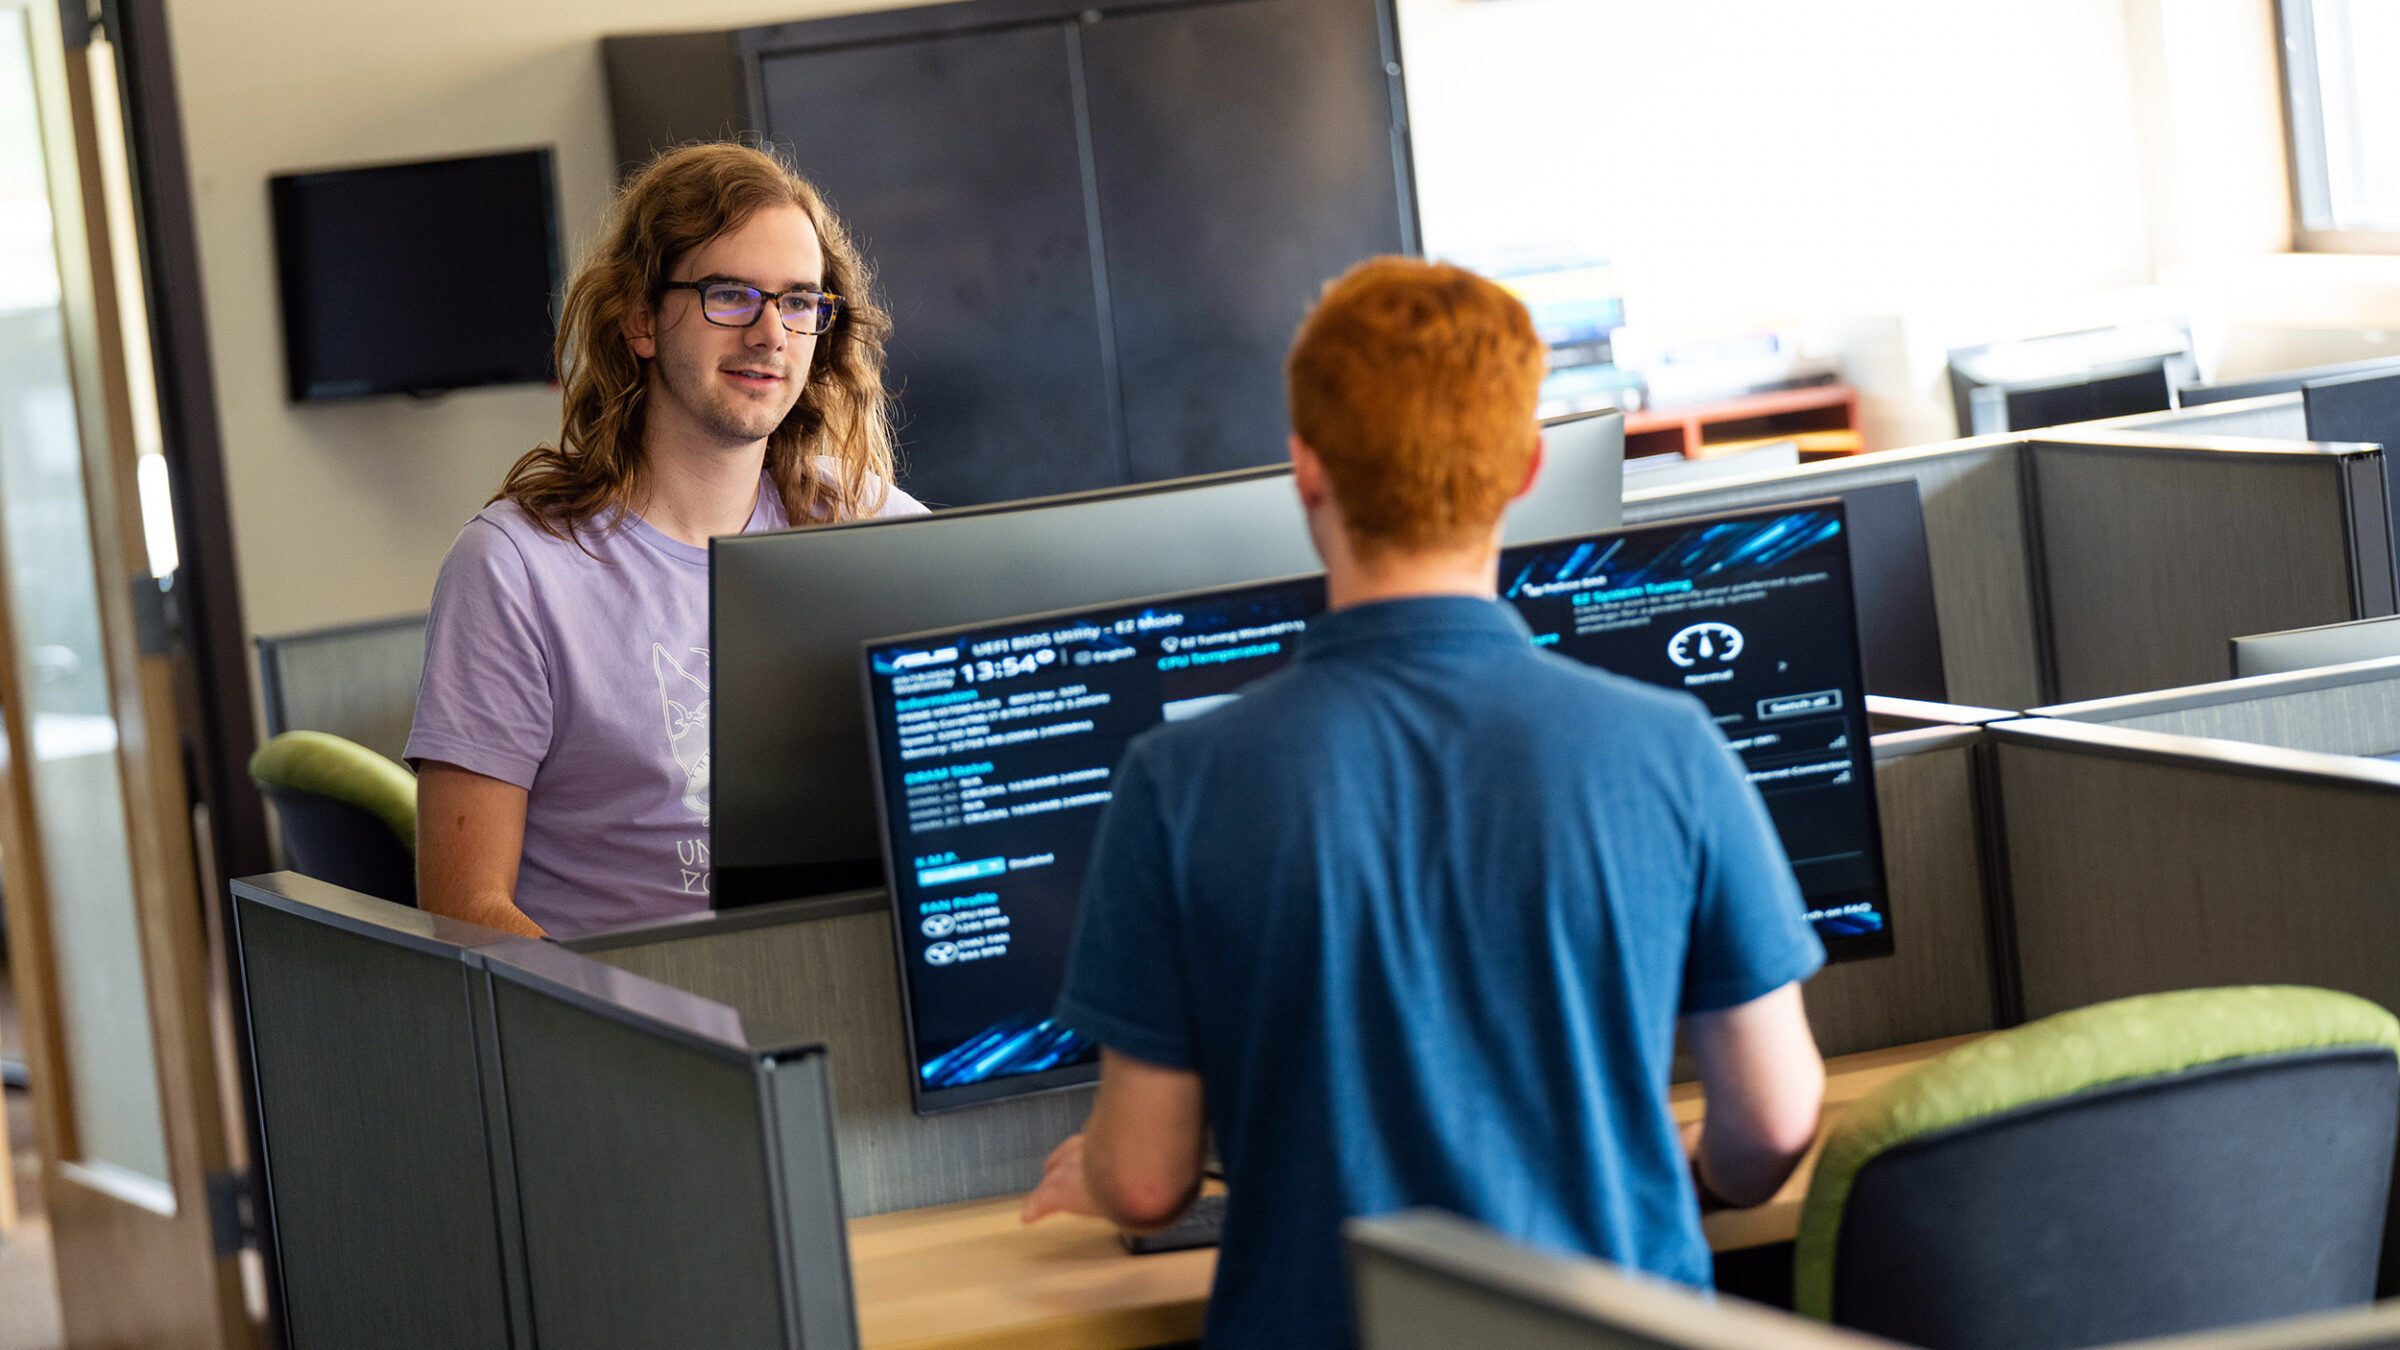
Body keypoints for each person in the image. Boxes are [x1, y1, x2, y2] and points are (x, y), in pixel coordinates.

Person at [1020, 257, 1828, 1347]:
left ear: (1307, 467)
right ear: (1527, 466)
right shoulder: (1670, 750)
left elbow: (1154, 1182)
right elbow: (1775, 1123)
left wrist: (1105, 1176)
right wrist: (1680, 1180)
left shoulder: (1182, 781)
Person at [406, 142, 925, 939]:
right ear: (640, 319)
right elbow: (464, 910)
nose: (769, 334)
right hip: (637, 1033)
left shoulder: (869, 527)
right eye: (729, 295)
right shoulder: (515, 567)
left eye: (798, 302)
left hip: (848, 991)